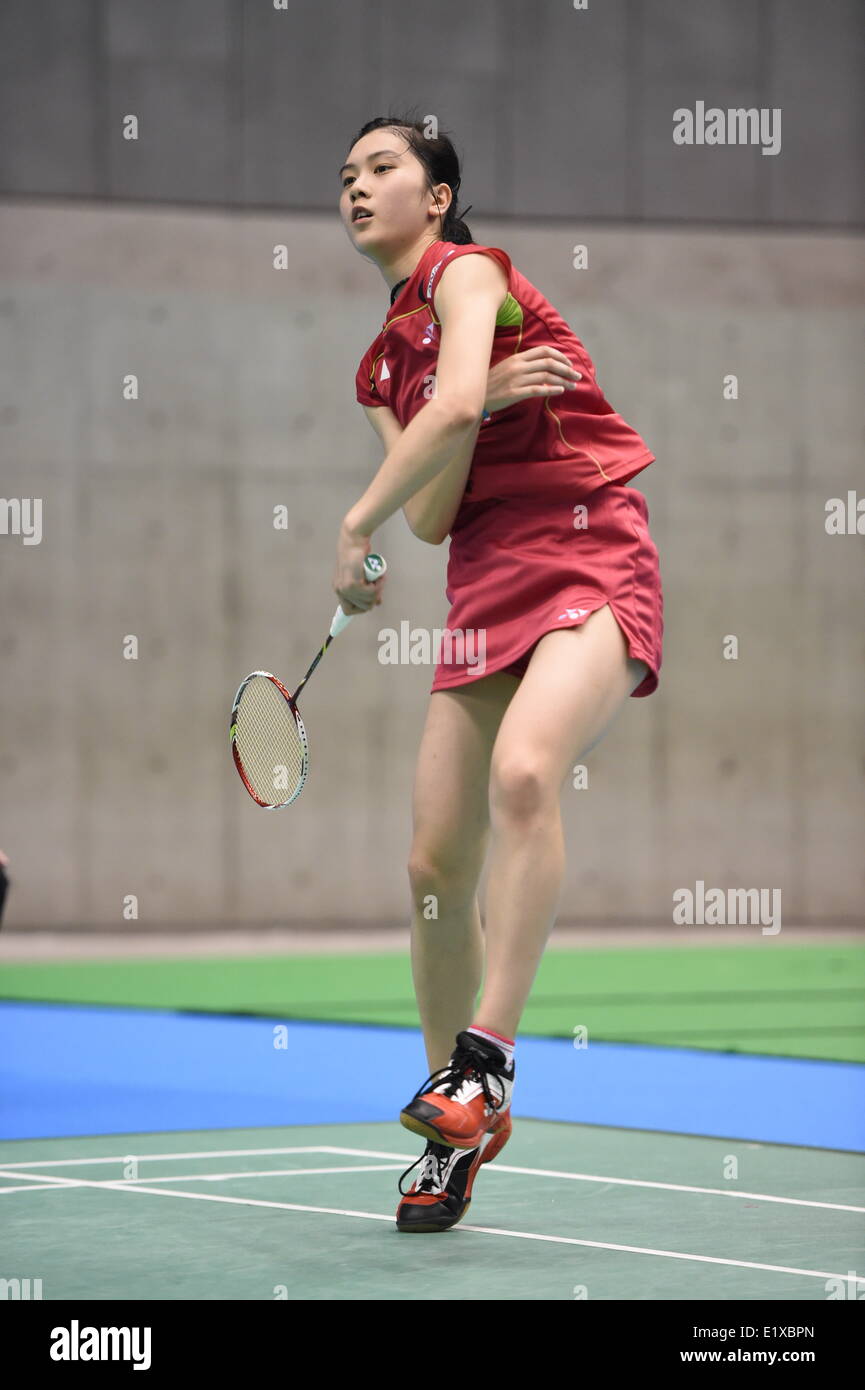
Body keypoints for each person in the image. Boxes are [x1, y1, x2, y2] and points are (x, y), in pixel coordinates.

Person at [333, 112, 663, 1233]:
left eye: (382, 168)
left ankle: (489, 1059)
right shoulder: (380, 367)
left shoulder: (469, 274)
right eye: (346, 175)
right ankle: (450, 1115)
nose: (357, 186)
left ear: (435, 197)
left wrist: (350, 523)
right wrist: (447, 427)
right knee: (432, 862)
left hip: (587, 545)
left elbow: (455, 414)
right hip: (483, 573)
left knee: (526, 772)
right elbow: (432, 511)